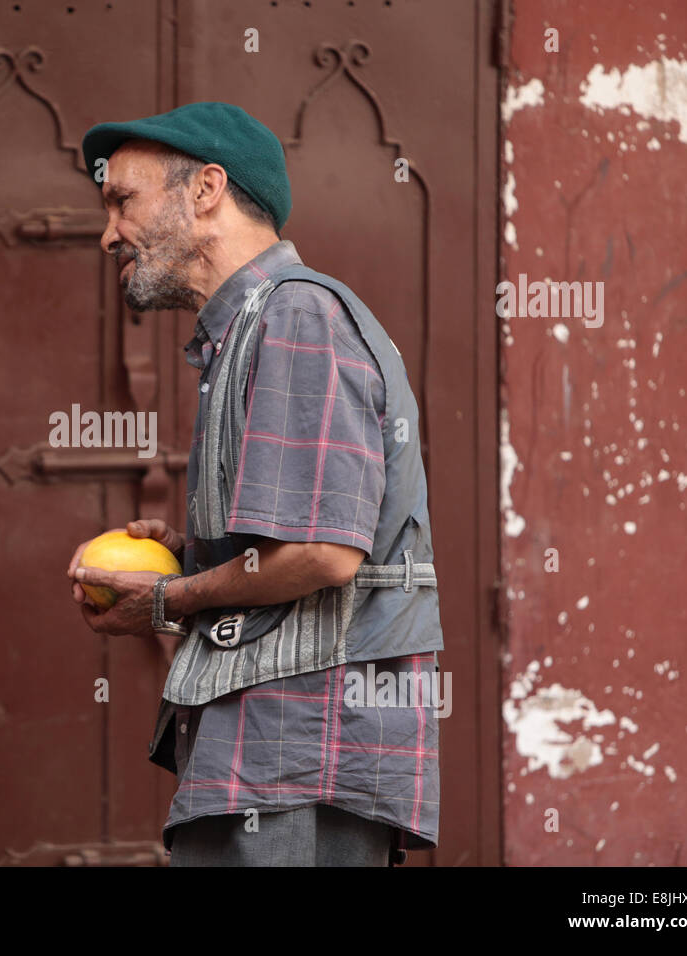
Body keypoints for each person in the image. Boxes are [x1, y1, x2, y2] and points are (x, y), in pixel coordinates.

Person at [68, 102, 444, 866]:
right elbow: (298, 546)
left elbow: (323, 555)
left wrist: (168, 599)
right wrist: (190, 557)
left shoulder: (297, 318)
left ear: (206, 190)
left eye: (122, 201)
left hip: (302, 753)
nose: (109, 233)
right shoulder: (253, 327)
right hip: (276, 753)